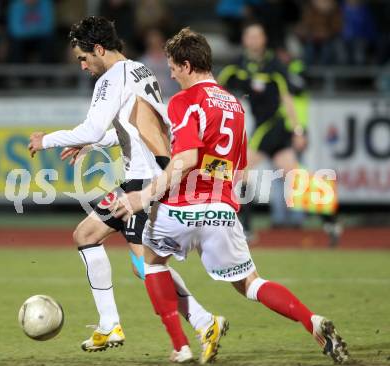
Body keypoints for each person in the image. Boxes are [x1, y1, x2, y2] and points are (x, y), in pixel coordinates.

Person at [114, 28, 349, 364]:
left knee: (149, 264)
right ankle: (311, 321)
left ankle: (181, 346)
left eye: (173, 67)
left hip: (181, 207)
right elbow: (233, 171)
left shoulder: (184, 101)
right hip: (222, 211)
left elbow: (186, 159)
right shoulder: (235, 106)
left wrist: (144, 196)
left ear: (188, 65)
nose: (171, 74)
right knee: (252, 284)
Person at [27, 16, 219, 358]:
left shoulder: (112, 76)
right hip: (145, 173)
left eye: (84, 58)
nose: (83, 66)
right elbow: (132, 126)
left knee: (146, 265)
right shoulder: (139, 69)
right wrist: (94, 145)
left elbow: (91, 126)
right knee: (87, 236)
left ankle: (203, 323)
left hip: (144, 181)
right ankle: (109, 324)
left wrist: (47, 141)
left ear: (99, 49)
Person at [218, 22, 306, 238]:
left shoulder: (274, 65)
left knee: (241, 169)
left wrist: (298, 130)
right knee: (291, 172)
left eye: (258, 36)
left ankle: (246, 227)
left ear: (264, 39)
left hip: (273, 126)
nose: (254, 40)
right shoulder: (236, 66)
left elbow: (287, 98)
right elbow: (215, 90)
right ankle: (331, 220)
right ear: (244, 40)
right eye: (250, 36)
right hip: (260, 127)